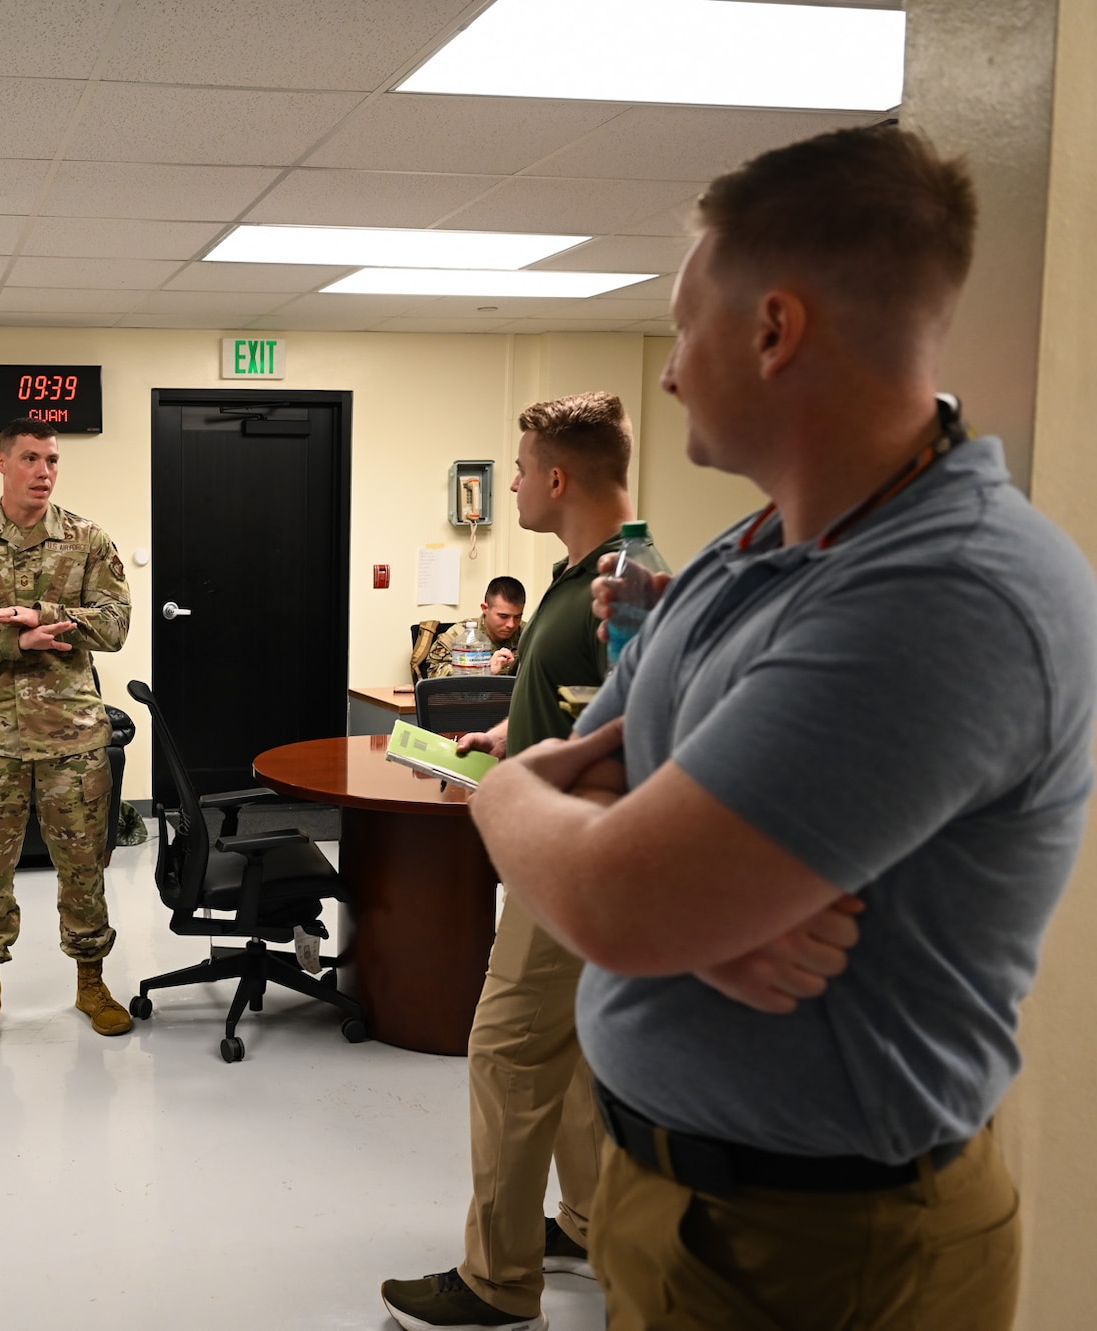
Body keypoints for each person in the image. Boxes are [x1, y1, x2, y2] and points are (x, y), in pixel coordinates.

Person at [471, 125, 1096, 1331]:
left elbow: (601, 868)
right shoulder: (747, 552)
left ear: (771, 329)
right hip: (673, 1199)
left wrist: (520, 812)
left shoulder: (947, 591)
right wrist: (691, 911)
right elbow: (614, 791)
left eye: (678, 326)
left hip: (828, 1249)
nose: (662, 372)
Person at [382, 392, 638, 1331]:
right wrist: (506, 734)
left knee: (505, 1052)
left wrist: (524, 779)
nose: (517, 484)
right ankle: (587, 1220)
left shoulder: (621, 587)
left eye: (524, 471)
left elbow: (643, 740)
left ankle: (496, 1282)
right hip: (565, 851)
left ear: (559, 479)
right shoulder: (581, 582)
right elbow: (587, 714)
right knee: (566, 1057)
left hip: (573, 865)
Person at [0, 418, 134, 1046]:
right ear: (2, 462)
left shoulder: (88, 540)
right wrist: (14, 640)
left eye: (53, 460)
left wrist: (47, 615)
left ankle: (91, 980)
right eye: (32, 458)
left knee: (85, 865)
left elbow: (116, 625)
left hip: (74, 736)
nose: (45, 471)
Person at [414, 576, 528, 678]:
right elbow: (433, 673)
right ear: (485, 608)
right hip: (466, 700)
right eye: (503, 616)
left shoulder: (529, 633)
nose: (511, 624)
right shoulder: (458, 636)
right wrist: (482, 671)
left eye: (518, 616)